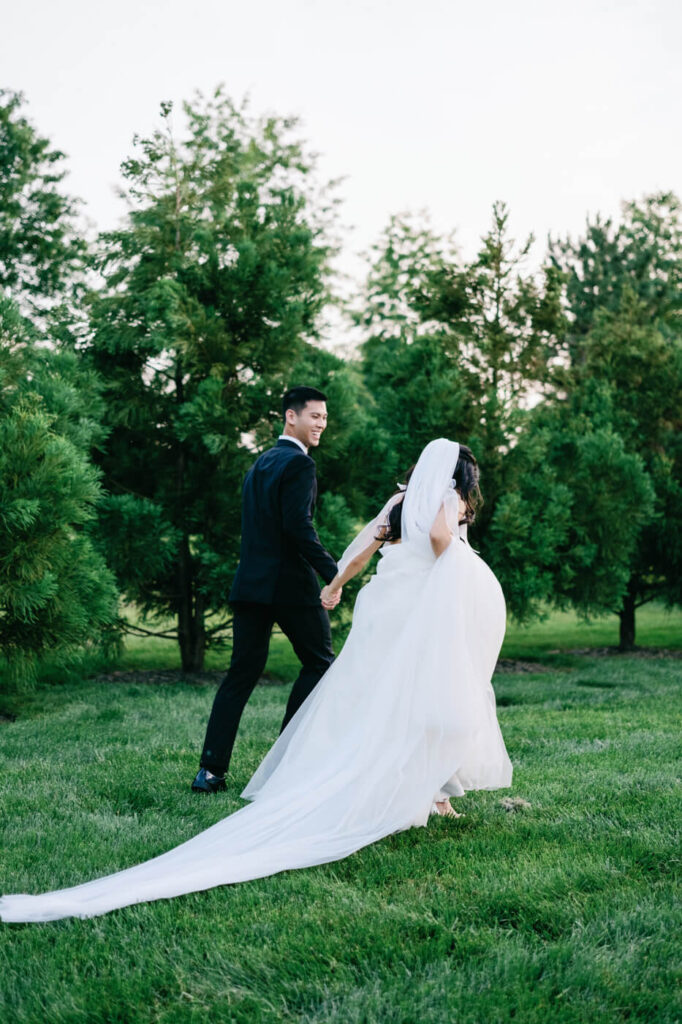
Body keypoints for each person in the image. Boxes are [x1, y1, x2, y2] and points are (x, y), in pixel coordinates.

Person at [0, 438, 513, 923]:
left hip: (387, 607)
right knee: (434, 695)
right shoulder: (448, 500)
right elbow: (445, 540)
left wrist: (334, 586)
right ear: (458, 474)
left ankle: (425, 790)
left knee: (383, 697)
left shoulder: (400, 502)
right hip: (420, 610)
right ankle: (433, 792)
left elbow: (360, 550)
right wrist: (460, 580)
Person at [192, 385, 339, 794]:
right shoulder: (300, 466)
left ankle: (210, 772)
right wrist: (334, 572)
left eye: (325, 418)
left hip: (250, 586)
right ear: (291, 416)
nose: (321, 424)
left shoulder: (259, 465)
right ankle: (284, 766)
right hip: (289, 587)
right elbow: (298, 528)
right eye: (315, 417)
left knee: (240, 675)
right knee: (320, 663)